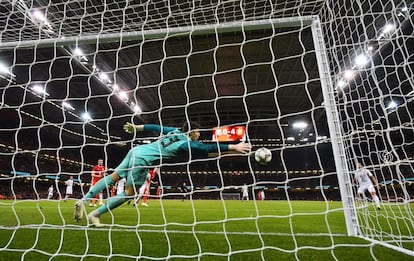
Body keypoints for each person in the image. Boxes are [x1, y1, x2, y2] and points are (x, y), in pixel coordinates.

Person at [74, 122, 251, 226]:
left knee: (113, 177)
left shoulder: (174, 131)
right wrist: (233, 146)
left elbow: (155, 126)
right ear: (193, 132)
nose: (199, 135)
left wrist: (137, 126)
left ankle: (82, 200)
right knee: (129, 193)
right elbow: (206, 148)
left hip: (136, 151)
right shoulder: (185, 143)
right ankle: (94, 214)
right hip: (143, 161)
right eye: (198, 133)